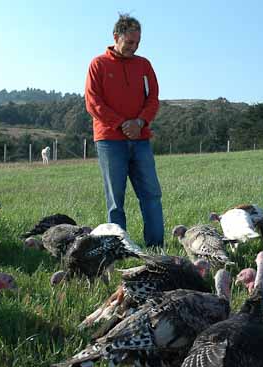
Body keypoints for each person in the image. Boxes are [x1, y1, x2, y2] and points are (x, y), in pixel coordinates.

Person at [85, 14, 164, 248]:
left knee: (151, 194)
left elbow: (153, 100)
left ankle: (157, 247)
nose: (134, 47)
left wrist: (139, 123)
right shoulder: (98, 64)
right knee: (115, 201)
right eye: (129, 42)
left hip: (140, 140)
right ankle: (120, 249)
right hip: (110, 141)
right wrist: (121, 124)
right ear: (116, 37)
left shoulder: (144, 65)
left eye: (137, 43)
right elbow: (93, 102)